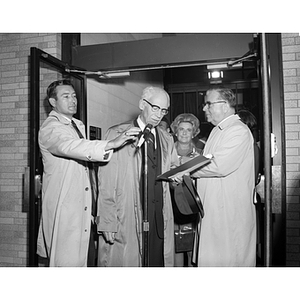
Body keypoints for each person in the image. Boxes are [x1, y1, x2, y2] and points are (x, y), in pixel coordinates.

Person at [37, 79, 140, 267]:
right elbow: (70, 146)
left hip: (81, 206)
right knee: (66, 262)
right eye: (66, 96)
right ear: (53, 103)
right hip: (66, 205)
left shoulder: (75, 124)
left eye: (74, 95)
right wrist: (110, 143)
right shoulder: (50, 128)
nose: (73, 100)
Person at [96, 86, 179, 267]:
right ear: (142, 104)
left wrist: (176, 177)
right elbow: (106, 180)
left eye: (163, 110)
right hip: (127, 213)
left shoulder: (166, 138)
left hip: (158, 215)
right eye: (155, 108)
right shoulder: (117, 134)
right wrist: (107, 220)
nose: (159, 115)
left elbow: (173, 167)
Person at [189, 87, 256, 266]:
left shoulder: (237, 130)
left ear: (225, 106)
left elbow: (218, 165)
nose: (204, 109)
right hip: (214, 210)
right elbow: (208, 161)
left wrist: (185, 167)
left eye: (208, 104)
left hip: (227, 212)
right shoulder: (218, 130)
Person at [170, 113, 203, 267]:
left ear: (194, 132)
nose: (184, 133)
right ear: (175, 131)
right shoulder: (167, 152)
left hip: (191, 204)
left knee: (191, 246)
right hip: (170, 204)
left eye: (188, 130)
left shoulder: (200, 154)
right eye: (181, 129)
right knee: (175, 245)